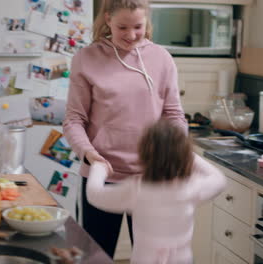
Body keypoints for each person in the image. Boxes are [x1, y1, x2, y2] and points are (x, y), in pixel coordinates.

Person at [62, 0, 187, 258]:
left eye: (138, 27)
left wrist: (174, 152)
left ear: (147, 22)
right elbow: (74, 120)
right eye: (122, 27)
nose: (131, 35)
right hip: (101, 179)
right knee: (96, 257)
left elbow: (174, 115)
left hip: (151, 178)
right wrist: (89, 154)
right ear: (108, 19)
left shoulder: (161, 58)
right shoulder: (86, 58)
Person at [86, 120, 227, 263]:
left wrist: (99, 168)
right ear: (184, 154)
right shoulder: (192, 187)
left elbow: (94, 194)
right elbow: (219, 178)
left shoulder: (136, 189)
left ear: (144, 154)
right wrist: (185, 155)